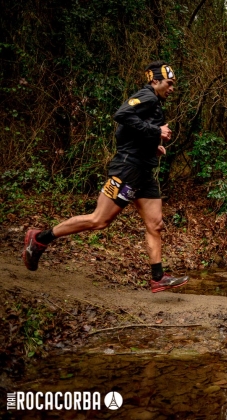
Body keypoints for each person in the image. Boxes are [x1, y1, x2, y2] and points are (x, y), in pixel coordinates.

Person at [22, 60, 189, 293]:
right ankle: (40, 238)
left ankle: (158, 277)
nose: (172, 88)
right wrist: (155, 132)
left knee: (156, 224)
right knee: (99, 220)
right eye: (169, 83)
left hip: (144, 172)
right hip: (127, 169)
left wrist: (154, 144)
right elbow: (121, 114)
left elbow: (127, 132)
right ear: (154, 81)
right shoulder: (148, 96)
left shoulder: (154, 103)